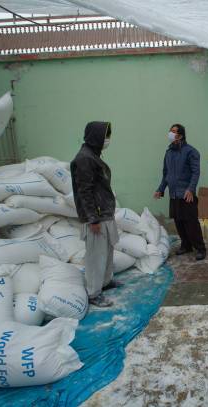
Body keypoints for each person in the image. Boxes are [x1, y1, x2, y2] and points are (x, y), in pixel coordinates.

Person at [71, 121, 120, 307]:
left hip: (104, 213)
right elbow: (85, 190)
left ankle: (105, 282)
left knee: (107, 252)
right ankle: (93, 293)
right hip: (96, 216)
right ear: (96, 136)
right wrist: (92, 218)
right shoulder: (84, 158)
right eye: (105, 135)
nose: (107, 139)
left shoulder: (93, 156)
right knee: (96, 256)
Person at [154, 124, 206, 261]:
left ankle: (200, 248)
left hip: (186, 194)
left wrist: (190, 189)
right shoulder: (169, 153)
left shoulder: (191, 152)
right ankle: (186, 245)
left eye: (174, 132)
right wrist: (160, 189)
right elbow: (166, 174)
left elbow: (196, 172)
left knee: (191, 223)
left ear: (181, 135)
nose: (170, 134)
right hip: (173, 194)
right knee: (179, 222)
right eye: (170, 131)